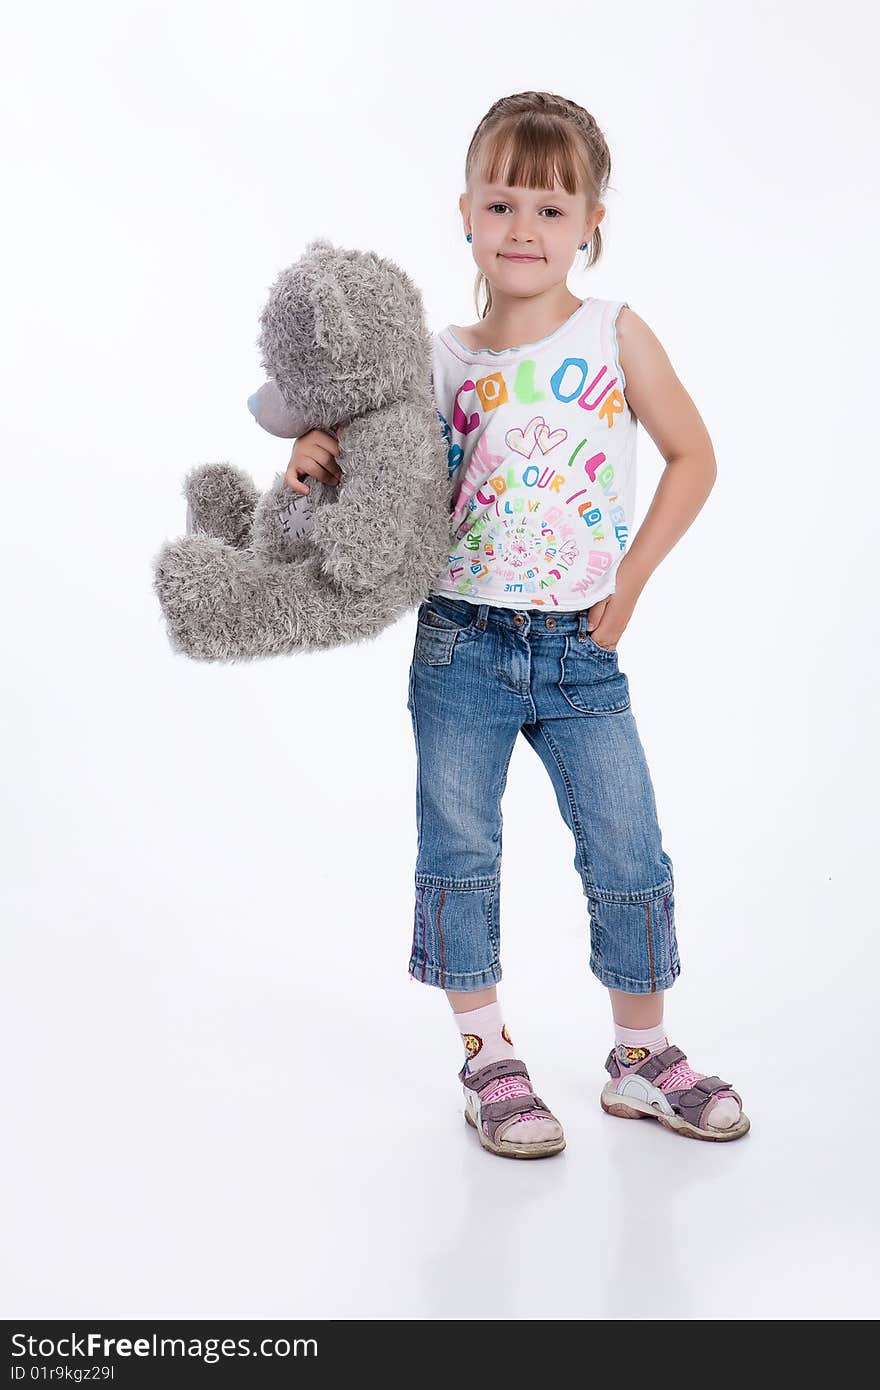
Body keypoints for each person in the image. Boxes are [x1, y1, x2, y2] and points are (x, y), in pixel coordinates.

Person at [285, 90, 749, 1157]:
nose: (523, 230)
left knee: (628, 847)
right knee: (460, 849)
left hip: (582, 651)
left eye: (550, 209)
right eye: (502, 204)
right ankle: (487, 1057)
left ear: (591, 223)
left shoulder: (613, 334)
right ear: (464, 214)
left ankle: (640, 1058)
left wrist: (627, 583)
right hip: (461, 644)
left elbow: (695, 456)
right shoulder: (437, 360)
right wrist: (315, 457)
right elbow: (370, 472)